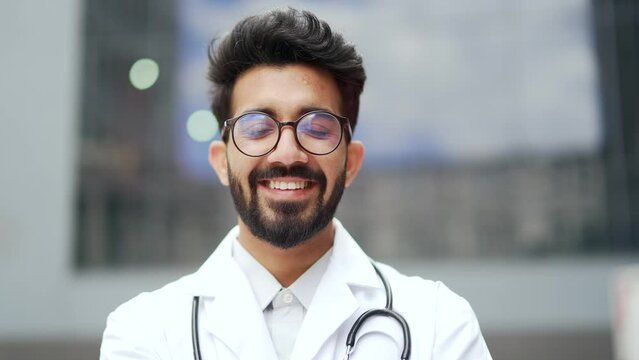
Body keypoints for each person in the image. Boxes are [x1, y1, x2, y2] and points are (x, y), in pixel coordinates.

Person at [100, 7, 492, 360]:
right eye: (257, 127)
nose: (287, 153)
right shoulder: (144, 333)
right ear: (221, 162)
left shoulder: (439, 324)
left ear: (351, 163)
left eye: (317, 127)